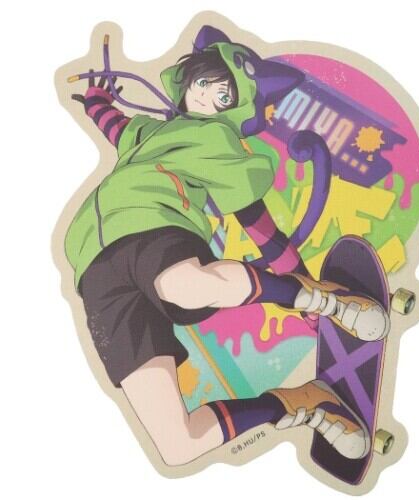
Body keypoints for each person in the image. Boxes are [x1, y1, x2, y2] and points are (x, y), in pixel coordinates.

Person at [65, 30, 389, 466]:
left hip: (153, 225)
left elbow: (258, 226)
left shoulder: (216, 140)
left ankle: (325, 299)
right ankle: (304, 404)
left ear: (235, 109)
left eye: (223, 96)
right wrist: (96, 101)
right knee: (178, 446)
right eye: (203, 83)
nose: (204, 96)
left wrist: (301, 285)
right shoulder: (148, 135)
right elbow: (118, 128)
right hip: (94, 269)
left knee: (184, 286)